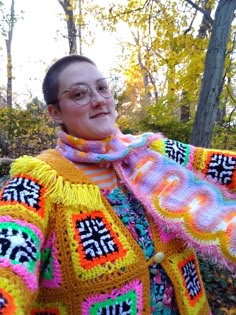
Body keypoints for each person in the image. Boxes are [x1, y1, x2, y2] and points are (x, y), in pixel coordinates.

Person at [0, 54, 235, 315]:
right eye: (80, 94)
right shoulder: (37, 180)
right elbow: (8, 263)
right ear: (56, 112)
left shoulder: (152, 152)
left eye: (102, 88)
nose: (99, 99)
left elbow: (222, 166)